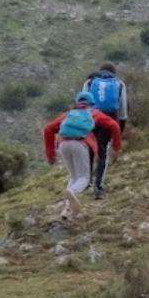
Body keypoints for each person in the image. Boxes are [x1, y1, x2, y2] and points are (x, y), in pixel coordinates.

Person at [43, 92, 121, 221]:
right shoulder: (94, 113)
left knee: (74, 176)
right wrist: (116, 147)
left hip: (63, 145)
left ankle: (67, 209)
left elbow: (48, 129)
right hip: (80, 144)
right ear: (92, 103)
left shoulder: (68, 114)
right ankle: (72, 192)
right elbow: (114, 126)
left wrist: (50, 155)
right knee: (84, 178)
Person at [76, 62, 128, 198]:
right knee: (102, 151)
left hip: (90, 118)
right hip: (109, 120)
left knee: (89, 149)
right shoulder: (119, 84)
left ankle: (86, 182)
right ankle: (98, 187)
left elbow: (81, 103)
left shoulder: (90, 81)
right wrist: (119, 130)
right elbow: (123, 111)